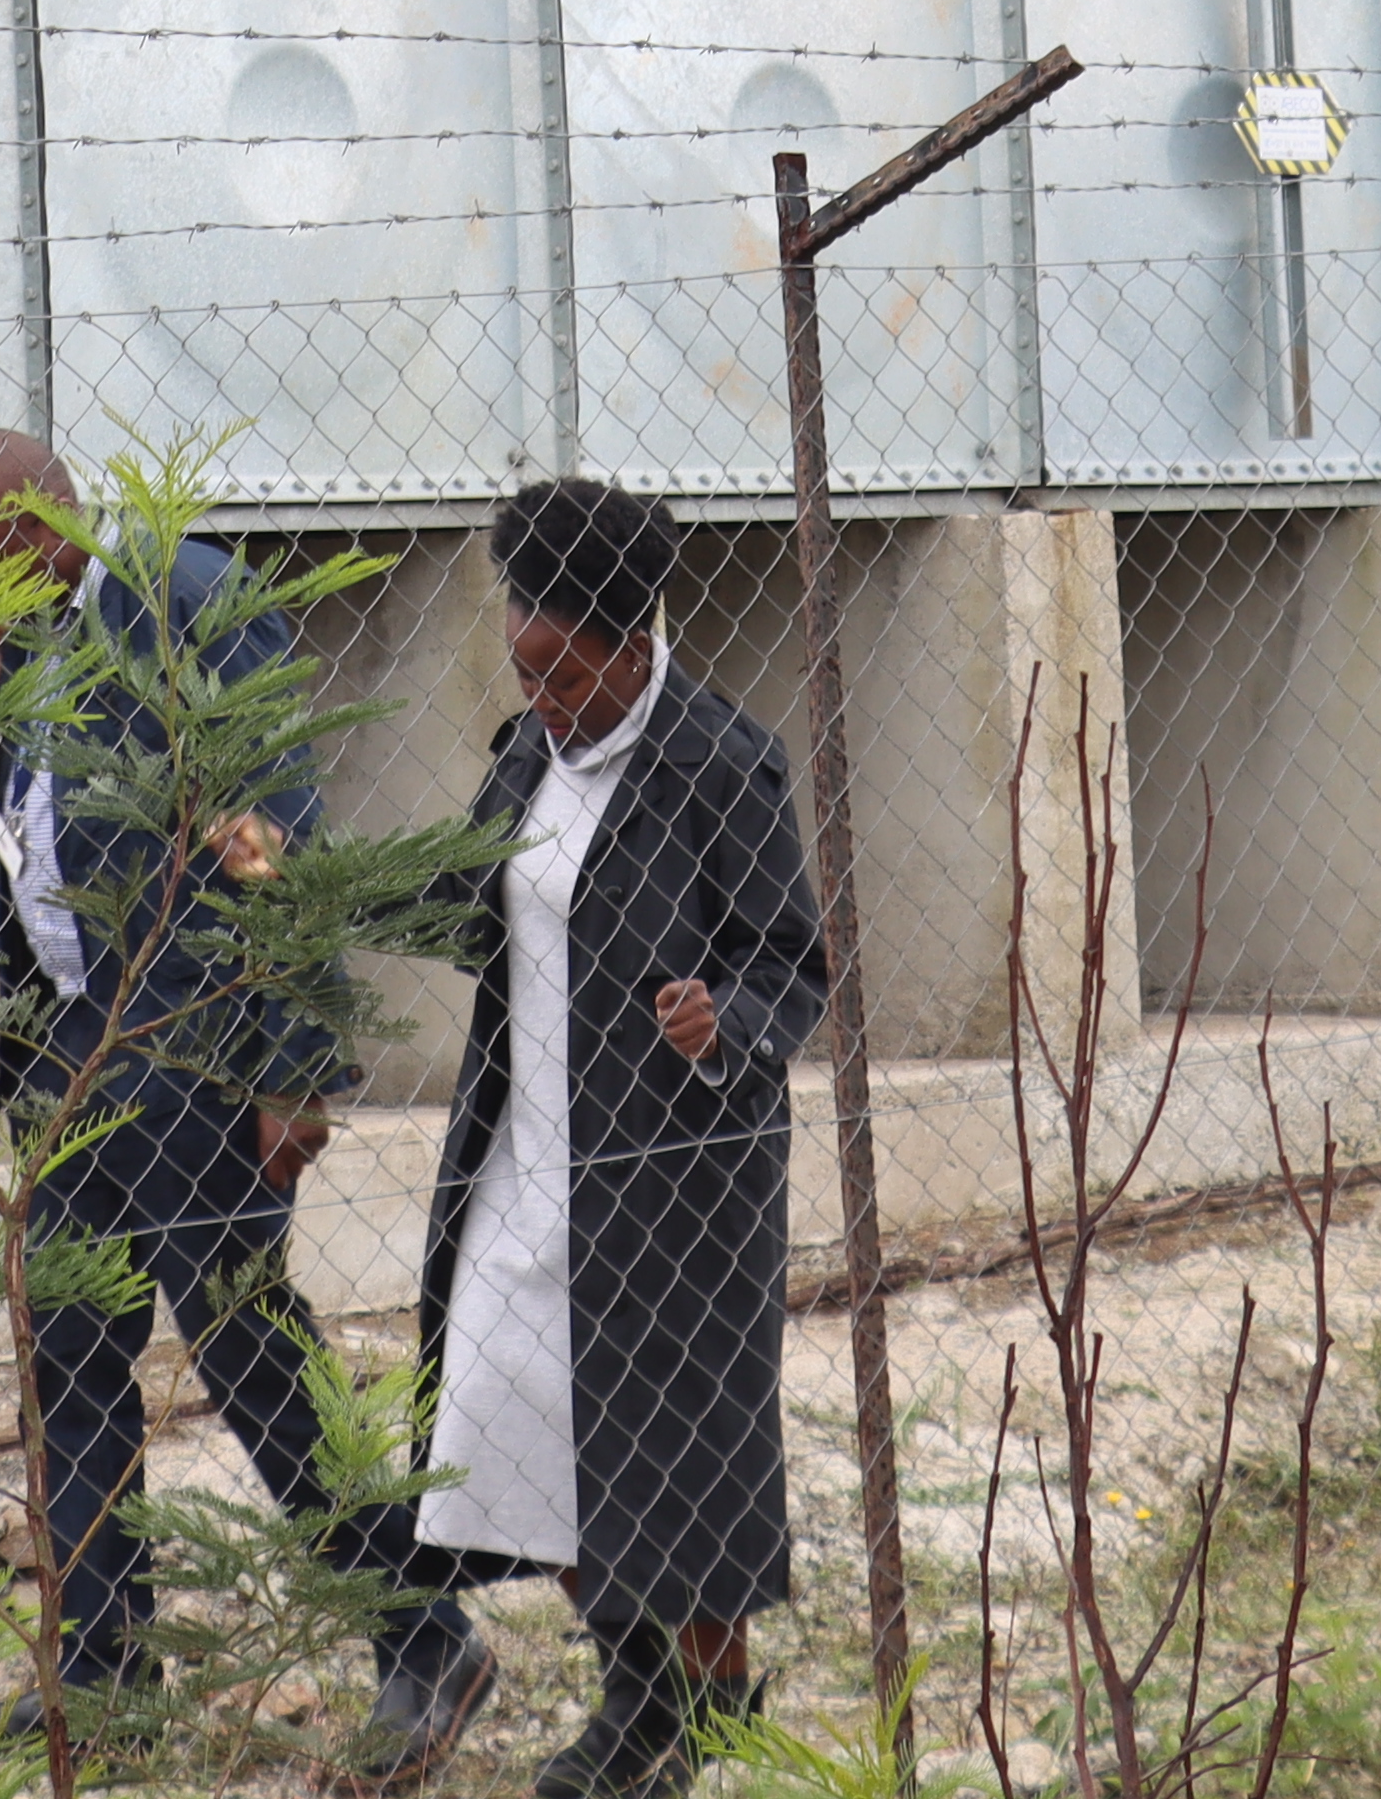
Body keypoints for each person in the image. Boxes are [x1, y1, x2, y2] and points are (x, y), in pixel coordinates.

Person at [0, 429, 493, 1771]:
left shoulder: (181, 598)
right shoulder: (22, 646)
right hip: (67, 1059)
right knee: (69, 1362)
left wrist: (292, 1062)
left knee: (244, 1346)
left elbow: (277, 824)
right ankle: (102, 1682)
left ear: (35, 535)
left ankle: (421, 1635)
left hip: (193, 1042)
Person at [408, 475, 828, 1799]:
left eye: (564, 670)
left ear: (632, 640)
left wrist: (725, 1021)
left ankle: (696, 1707)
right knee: (518, 1424)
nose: (542, 693)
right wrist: (303, 889)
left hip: (675, 1183)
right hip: (527, 1164)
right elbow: (470, 911)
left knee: (672, 1459)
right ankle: (648, 1692)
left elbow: (794, 967)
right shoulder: (527, 754)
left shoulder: (718, 762)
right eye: (525, 665)